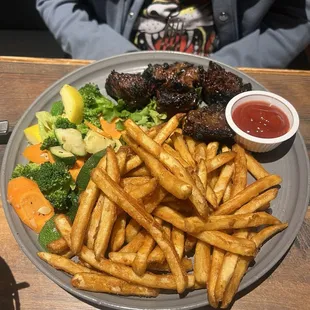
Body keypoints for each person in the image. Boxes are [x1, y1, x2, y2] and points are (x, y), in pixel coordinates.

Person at [36, 0, 310, 68]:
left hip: (236, 64)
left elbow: (298, 14)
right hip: (107, 58)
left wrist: (225, 70)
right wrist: (121, 62)